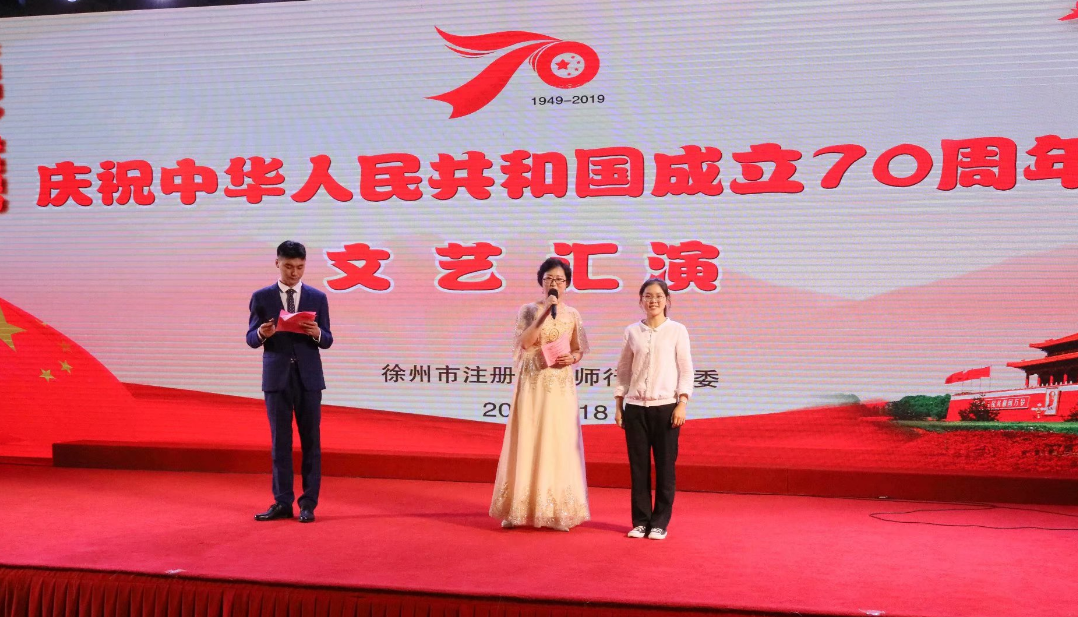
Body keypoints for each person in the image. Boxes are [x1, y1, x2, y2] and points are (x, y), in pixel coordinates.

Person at [489, 257, 590, 530]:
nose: (554, 283)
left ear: (567, 283)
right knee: (528, 437)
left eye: (559, 279)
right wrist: (545, 313)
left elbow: (579, 348)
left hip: (559, 385)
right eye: (549, 279)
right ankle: (517, 510)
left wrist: (573, 358)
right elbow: (524, 343)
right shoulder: (529, 310)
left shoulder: (573, 314)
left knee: (556, 440)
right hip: (533, 382)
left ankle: (556, 511)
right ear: (541, 282)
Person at [246, 241, 333, 524]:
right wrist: (262, 333)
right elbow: (250, 339)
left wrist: (317, 332)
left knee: (311, 442)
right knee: (280, 443)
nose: (294, 272)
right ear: (277, 264)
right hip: (277, 378)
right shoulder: (262, 297)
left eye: (300, 267)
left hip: (309, 379)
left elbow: (328, 340)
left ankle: (308, 503)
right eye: (288, 266)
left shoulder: (317, 297)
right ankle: (282, 502)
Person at [614, 278, 693, 540]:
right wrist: (619, 404)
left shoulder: (677, 330)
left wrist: (682, 402)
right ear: (640, 300)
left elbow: (686, 370)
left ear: (667, 300)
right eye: (648, 296)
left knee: (665, 468)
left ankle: (659, 522)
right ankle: (640, 522)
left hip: (666, 407)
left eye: (658, 296)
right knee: (638, 468)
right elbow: (623, 370)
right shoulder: (632, 331)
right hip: (636, 408)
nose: (653, 301)